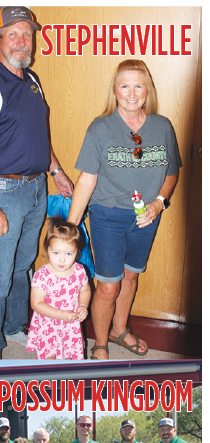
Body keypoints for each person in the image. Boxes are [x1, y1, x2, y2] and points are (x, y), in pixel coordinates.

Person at [0, 7, 74, 359]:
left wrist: (56, 172)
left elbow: (37, 135)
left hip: (37, 188)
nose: (21, 41)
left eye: (26, 33)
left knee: (23, 264)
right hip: (3, 192)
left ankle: (14, 326)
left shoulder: (32, 79)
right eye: (12, 33)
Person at [67, 60, 181, 360]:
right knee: (107, 287)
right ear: (115, 91)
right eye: (124, 86)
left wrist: (159, 203)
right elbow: (86, 179)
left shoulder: (163, 126)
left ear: (148, 90)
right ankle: (101, 342)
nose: (132, 93)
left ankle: (119, 329)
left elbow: (171, 174)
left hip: (147, 218)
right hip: (108, 215)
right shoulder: (100, 128)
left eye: (138, 85)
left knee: (131, 277)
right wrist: (71, 227)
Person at [25, 219, 91, 360]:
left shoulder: (79, 271)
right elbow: (36, 304)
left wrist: (83, 306)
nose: (62, 260)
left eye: (68, 254)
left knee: (70, 356)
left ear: (76, 252)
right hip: (49, 325)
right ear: (47, 249)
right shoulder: (42, 275)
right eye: (56, 253)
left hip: (70, 324)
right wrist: (61, 315)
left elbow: (85, 290)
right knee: (50, 358)